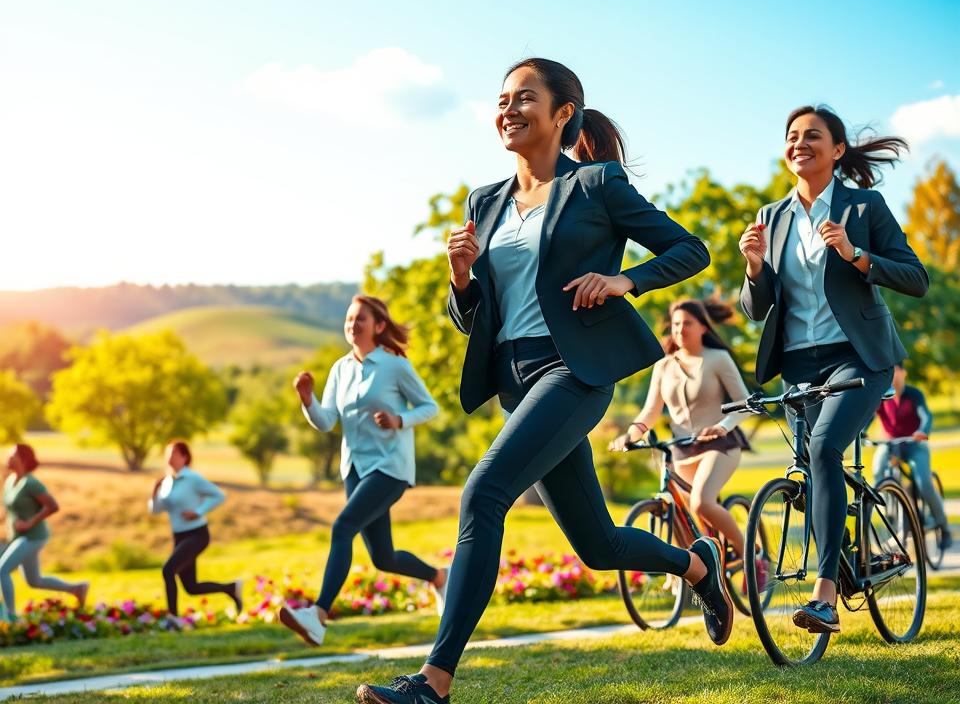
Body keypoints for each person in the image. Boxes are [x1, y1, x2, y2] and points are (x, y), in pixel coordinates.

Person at [355, 58, 728, 704]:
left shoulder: (596, 186)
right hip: (514, 379)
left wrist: (625, 280)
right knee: (597, 543)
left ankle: (432, 685)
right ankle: (698, 564)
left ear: (562, 114)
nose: (507, 108)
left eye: (524, 97)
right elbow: (473, 317)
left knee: (483, 494)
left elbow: (690, 249)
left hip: (575, 371)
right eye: (501, 99)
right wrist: (462, 280)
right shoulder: (484, 201)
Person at [739, 104, 928, 634]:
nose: (800, 143)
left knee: (824, 450)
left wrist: (855, 254)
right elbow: (757, 308)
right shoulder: (770, 216)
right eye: (792, 136)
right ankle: (848, 562)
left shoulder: (864, 207)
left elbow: (916, 277)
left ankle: (822, 599)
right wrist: (753, 268)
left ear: (838, 150)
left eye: (813, 136)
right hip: (798, 364)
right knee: (811, 475)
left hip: (860, 359)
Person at [283, 295, 445, 647]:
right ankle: (438, 577)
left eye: (360, 319)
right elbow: (326, 421)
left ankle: (318, 616)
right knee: (383, 558)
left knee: (342, 528)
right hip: (354, 468)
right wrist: (307, 399)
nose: (352, 325)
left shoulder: (394, 366)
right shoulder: (340, 369)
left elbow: (430, 407)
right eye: (349, 319)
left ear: (379, 326)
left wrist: (399, 419)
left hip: (390, 467)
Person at [612, 299, 752, 567]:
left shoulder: (717, 359)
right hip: (681, 451)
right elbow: (650, 411)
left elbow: (744, 404)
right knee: (685, 517)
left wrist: (721, 427)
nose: (680, 329)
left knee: (701, 503)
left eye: (687, 323)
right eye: (676, 324)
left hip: (719, 445)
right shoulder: (663, 366)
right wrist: (630, 435)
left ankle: (750, 556)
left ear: (702, 327)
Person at [149, 440, 242, 617]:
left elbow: (219, 495)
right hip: (178, 537)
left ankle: (172, 618)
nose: (170, 458)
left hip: (197, 535)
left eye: (174, 454)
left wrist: (198, 511)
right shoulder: (167, 482)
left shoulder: (192, 478)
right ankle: (231, 588)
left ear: (185, 457)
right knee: (191, 587)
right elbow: (156, 510)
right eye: (168, 454)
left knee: (168, 570)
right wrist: (154, 493)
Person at [0, 443, 89, 619]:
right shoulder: (10, 481)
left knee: (2, 570)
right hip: (17, 537)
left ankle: (10, 616)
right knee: (34, 581)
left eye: (12, 455)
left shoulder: (31, 483)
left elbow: (52, 506)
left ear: (23, 459)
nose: (8, 458)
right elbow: (10, 511)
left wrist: (29, 523)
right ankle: (77, 588)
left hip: (33, 537)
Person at [871, 361, 951, 549]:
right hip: (891, 445)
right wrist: (862, 432)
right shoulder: (882, 395)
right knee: (878, 470)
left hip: (915, 444)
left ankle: (943, 526)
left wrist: (923, 430)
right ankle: (889, 511)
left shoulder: (914, 395)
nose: (893, 375)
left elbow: (926, 416)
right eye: (890, 371)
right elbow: (869, 417)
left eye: (896, 371)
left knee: (923, 482)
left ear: (904, 373)